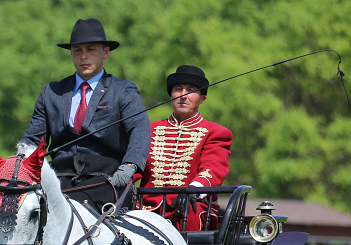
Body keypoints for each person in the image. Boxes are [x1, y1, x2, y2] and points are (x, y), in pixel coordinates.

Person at [18, 18, 150, 211]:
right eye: (77, 51)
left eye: (90, 49)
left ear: (105, 52)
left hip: (108, 181)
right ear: (71, 54)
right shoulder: (52, 92)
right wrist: (19, 162)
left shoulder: (123, 90)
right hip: (59, 180)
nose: (83, 56)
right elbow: (33, 138)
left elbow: (139, 129)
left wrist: (130, 165)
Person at [136, 65, 232, 231]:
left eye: (191, 90)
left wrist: (193, 190)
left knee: (190, 210)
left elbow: (213, 168)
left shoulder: (215, 132)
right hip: (147, 208)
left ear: (202, 99)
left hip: (188, 209)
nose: (183, 95)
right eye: (178, 89)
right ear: (171, 96)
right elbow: (134, 164)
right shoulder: (150, 129)